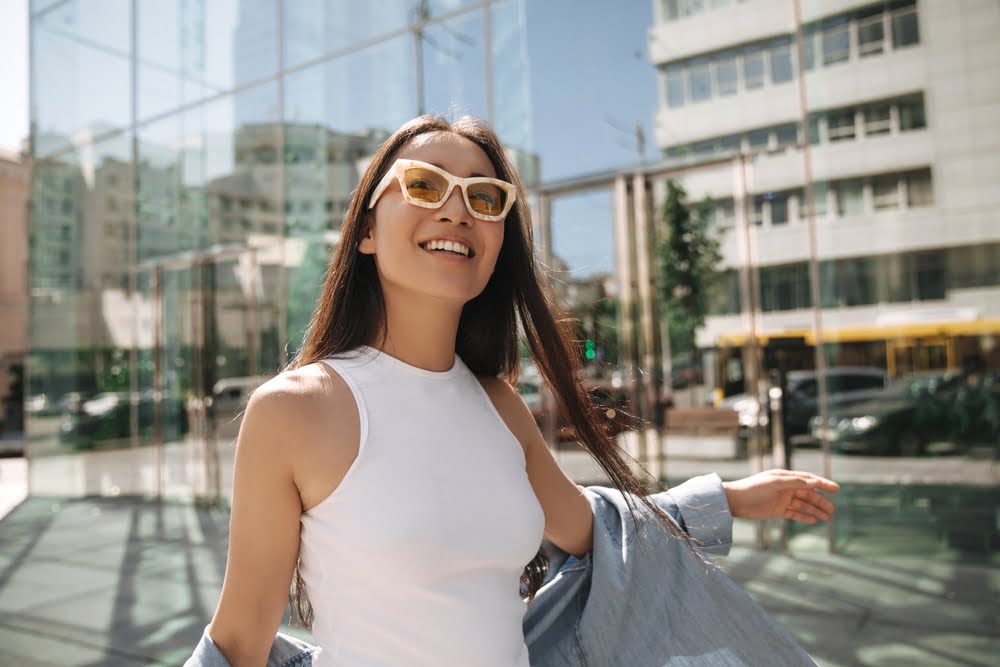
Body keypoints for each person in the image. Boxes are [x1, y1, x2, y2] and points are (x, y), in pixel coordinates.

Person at [194, 115, 838, 666]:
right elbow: (242, 635)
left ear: (500, 240)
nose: (455, 208)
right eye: (423, 184)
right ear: (365, 230)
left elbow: (599, 530)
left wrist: (728, 499)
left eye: (485, 197)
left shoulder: (498, 403)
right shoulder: (295, 410)